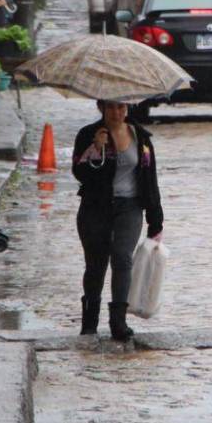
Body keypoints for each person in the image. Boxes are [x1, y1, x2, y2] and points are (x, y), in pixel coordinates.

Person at [72, 101, 164, 340]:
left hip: (130, 207)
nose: (117, 113)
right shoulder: (88, 134)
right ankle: (90, 321)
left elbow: (150, 179)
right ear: (101, 107)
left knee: (123, 258)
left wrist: (155, 219)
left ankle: (118, 321)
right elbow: (79, 173)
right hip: (95, 207)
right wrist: (95, 148)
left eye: (122, 107)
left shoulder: (141, 138)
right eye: (112, 108)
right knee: (96, 264)